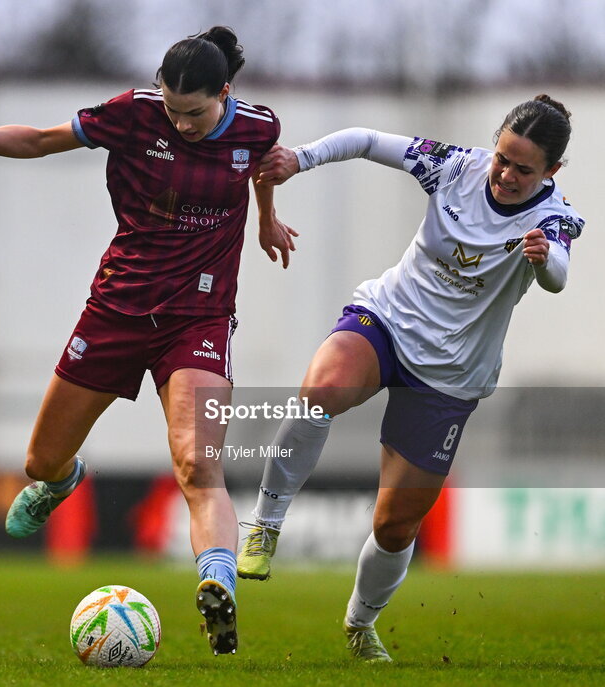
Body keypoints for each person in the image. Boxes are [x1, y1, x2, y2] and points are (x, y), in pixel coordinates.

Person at [0, 26, 296, 656]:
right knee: (39, 462)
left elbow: (260, 171)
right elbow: (47, 138)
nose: (181, 124)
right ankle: (63, 481)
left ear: (225, 93)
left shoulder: (259, 127)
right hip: (116, 311)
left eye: (195, 113)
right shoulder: (132, 114)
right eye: (171, 110)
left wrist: (267, 217)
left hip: (199, 317)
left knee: (197, 463)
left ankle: (217, 586)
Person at [237, 95, 584, 662]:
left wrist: (545, 258)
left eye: (525, 169)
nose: (506, 175)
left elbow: (559, 278)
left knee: (395, 525)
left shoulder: (553, 218)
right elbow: (369, 140)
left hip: (450, 374)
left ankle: (359, 623)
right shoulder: (453, 166)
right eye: (503, 158)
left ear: (552, 172)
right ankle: (266, 524)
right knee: (320, 392)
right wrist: (301, 158)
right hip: (388, 322)